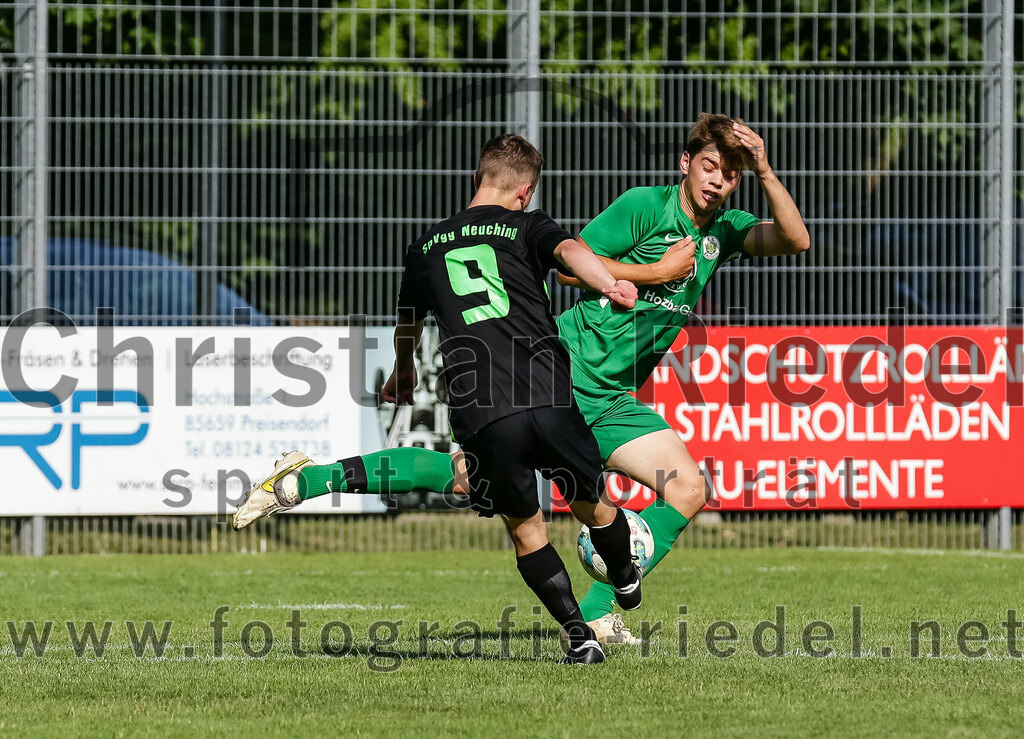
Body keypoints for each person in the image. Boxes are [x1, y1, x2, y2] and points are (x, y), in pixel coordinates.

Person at [237, 114, 810, 645]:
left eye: (731, 175)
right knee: (468, 479)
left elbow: (795, 240)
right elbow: (571, 267)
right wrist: (655, 272)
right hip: (565, 369)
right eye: (710, 167)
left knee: (687, 489)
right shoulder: (644, 207)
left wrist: (765, 169)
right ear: (686, 163)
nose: (717, 182)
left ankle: (596, 611)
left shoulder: (724, 231)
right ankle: (312, 479)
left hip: (612, 397)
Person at [234, 133, 644, 665]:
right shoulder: (527, 224)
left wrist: (403, 372)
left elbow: (407, 323)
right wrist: (608, 282)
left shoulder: (425, 246)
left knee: (522, 527)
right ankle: (625, 577)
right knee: (595, 506)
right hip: (546, 393)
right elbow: (570, 252)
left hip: (482, 408)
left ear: (477, 178)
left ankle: (580, 638)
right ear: (525, 192)